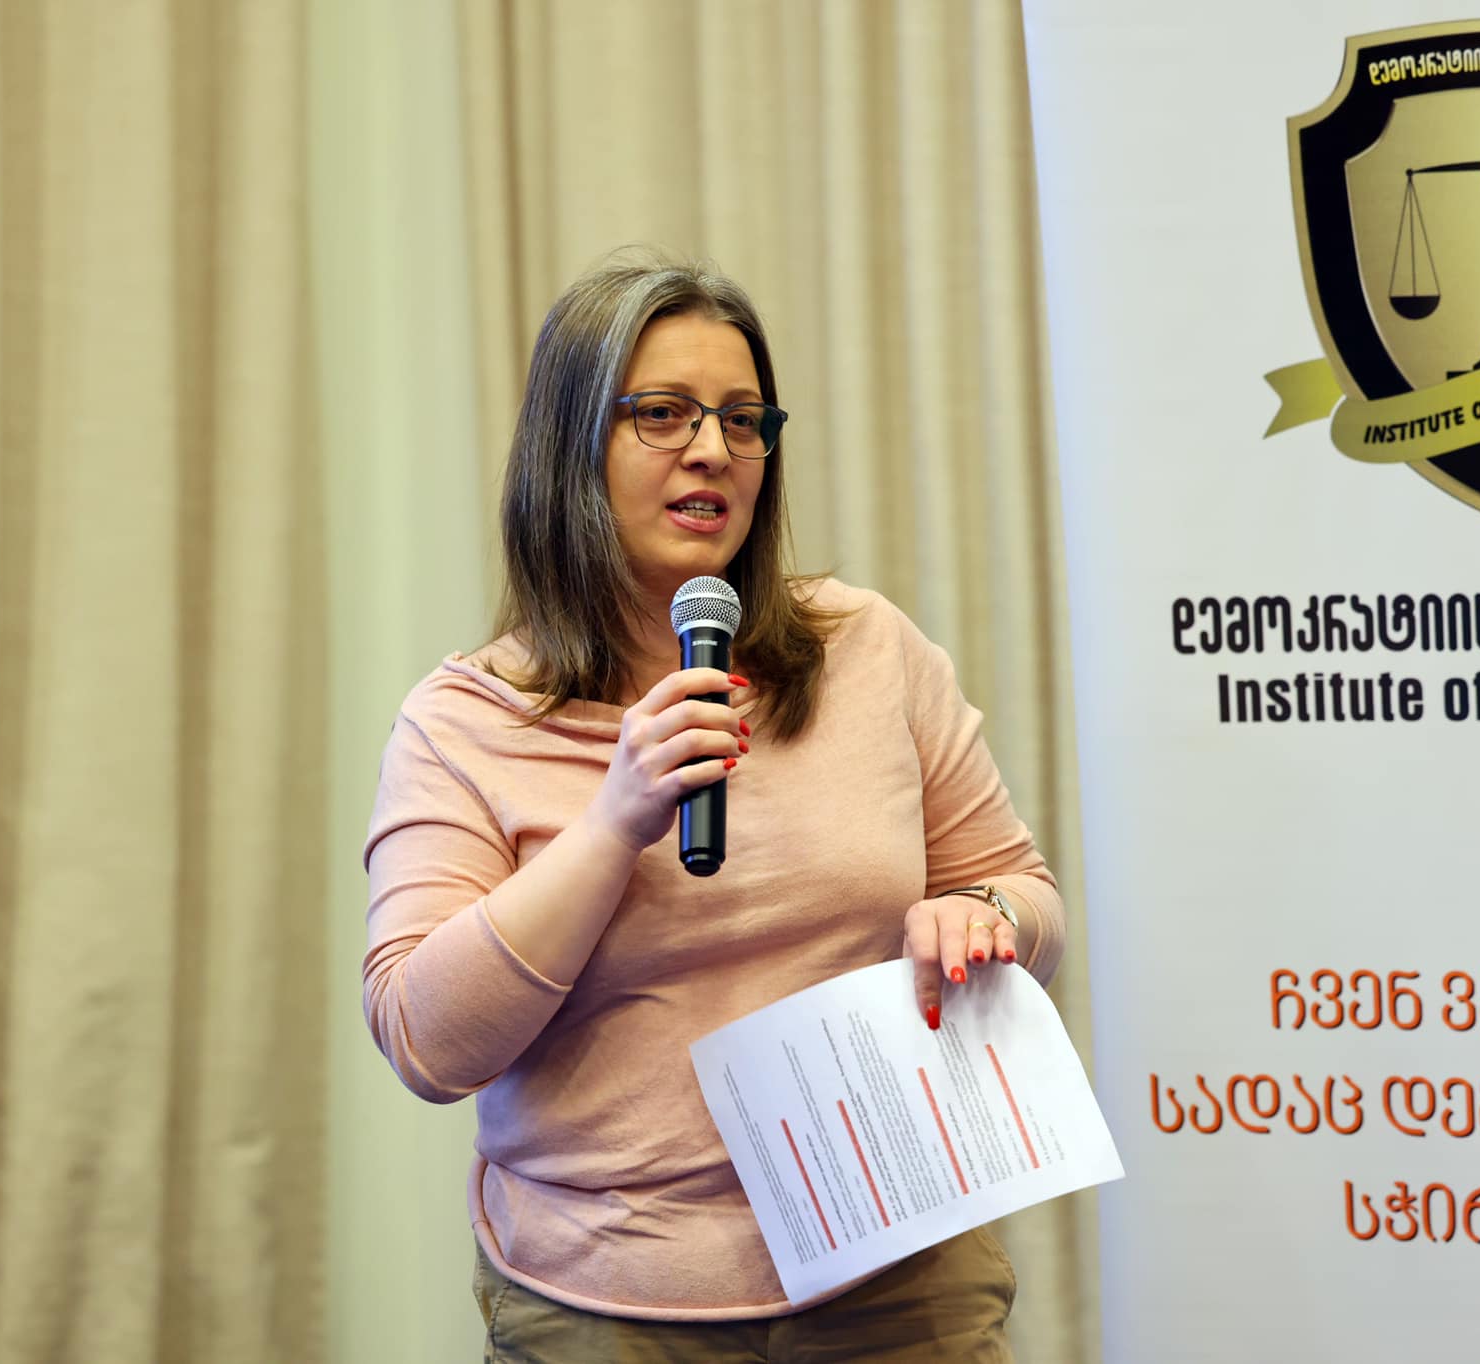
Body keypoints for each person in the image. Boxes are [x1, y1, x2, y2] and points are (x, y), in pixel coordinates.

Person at [363, 251, 1065, 1361]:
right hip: (609, 1307)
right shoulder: (465, 721)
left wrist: (986, 918)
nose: (711, 450)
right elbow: (424, 1041)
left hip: (899, 1278)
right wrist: (613, 824)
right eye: (662, 413)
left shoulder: (866, 648)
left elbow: (1025, 894)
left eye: (742, 420)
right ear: (570, 445)